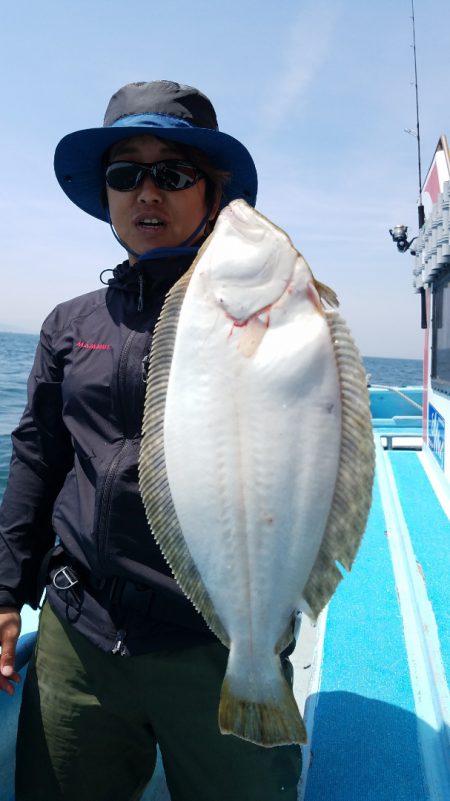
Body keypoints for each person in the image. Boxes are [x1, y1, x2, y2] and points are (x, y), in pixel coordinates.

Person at [0, 80, 302, 801]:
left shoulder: (267, 317)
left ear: (214, 194)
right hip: (81, 633)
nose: (146, 193)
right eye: (124, 173)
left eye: (172, 173)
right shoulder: (69, 324)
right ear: (105, 194)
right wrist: (8, 593)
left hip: (218, 638)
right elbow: (36, 461)